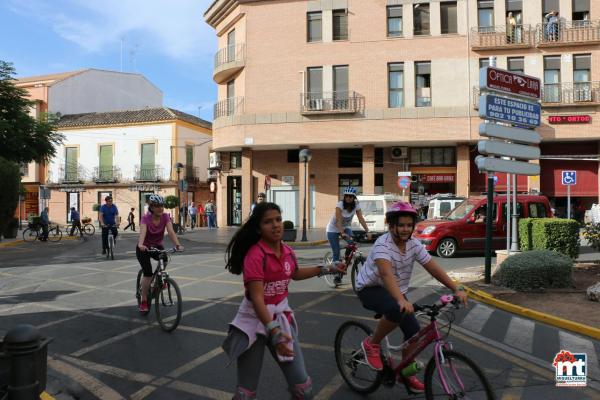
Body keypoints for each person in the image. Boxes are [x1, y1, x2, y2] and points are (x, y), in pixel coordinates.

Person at [222, 202, 346, 399]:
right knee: (245, 394)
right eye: (268, 222)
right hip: (253, 323)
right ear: (258, 227)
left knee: (303, 389)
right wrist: (273, 330)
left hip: (280, 321)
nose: (276, 225)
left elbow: (294, 273)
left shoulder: (288, 251)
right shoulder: (255, 255)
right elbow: (257, 298)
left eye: (278, 219)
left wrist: (326, 269)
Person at [354, 201, 468, 393]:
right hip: (370, 289)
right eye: (401, 225)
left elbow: (432, 267)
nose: (406, 229)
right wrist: (401, 300)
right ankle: (371, 344)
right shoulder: (383, 245)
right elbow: (386, 274)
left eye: (409, 225)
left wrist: (456, 288)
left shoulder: (414, 244)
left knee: (414, 332)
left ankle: (405, 374)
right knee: (394, 310)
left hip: (397, 291)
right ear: (391, 226)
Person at [136, 194, 184, 313]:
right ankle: (143, 300)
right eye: (157, 206)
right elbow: (142, 232)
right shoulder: (145, 218)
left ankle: (159, 280)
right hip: (144, 248)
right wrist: (141, 244)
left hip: (157, 246)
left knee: (165, 259)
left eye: (162, 206)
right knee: (147, 274)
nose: (160, 208)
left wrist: (177, 244)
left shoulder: (165, 217)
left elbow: (171, 231)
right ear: (151, 207)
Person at [325, 187, 370, 284]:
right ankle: (336, 276)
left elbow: (361, 218)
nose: (348, 198)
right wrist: (342, 232)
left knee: (352, 243)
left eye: (351, 196)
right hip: (333, 229)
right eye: (347, 196)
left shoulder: (356, 205)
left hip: (345, 228)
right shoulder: (340, 204)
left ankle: (346, 259)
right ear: (344, 197)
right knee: (336, 252)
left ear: (354, 198)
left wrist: (367, 230)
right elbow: (338, 220)